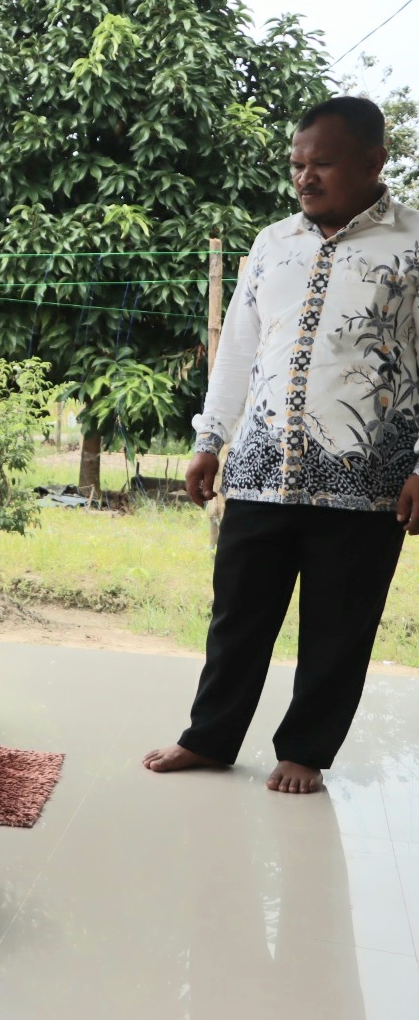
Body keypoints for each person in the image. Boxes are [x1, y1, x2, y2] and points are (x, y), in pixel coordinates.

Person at [144, 97, 419, 794]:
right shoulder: (272, 244)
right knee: (237, 614)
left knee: (338, 627)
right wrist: (211, 437)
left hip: (368, 475)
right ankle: (209, 738)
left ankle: (305, 751)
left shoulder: (415, 243)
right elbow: (239, 347)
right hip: (262, 467)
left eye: (321, 163)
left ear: (372, 161)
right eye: (297, 164)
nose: (304, 178)